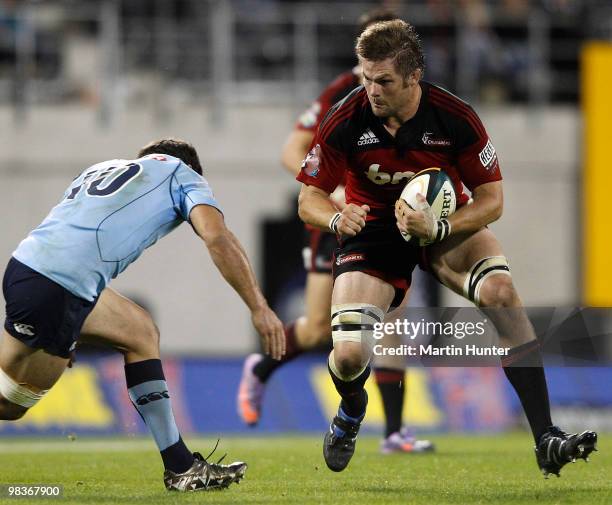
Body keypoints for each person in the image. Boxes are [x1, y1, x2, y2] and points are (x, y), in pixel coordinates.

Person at [296, 19, 598, 476]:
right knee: (350, 354)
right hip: (375, 230)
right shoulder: (346, 117)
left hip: (444, 222)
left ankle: (546, 438)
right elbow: (308, 199)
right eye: (365, 77)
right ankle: (352, 412)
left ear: (413, 77)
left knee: (501, 294)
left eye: (383, 81)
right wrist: (338, 217)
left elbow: (493, 200)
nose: (371, 90)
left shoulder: (454, 116)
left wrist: (440, 227)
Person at [0, 139, 286, 491]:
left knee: (140, 332)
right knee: (11, 404)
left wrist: (72, 322)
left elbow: (72, 233)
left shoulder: (100, 168)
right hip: (61, 287)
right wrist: (259, 307)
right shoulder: (184, 175)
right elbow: (217, 238)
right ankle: (181, 468)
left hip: (29, 268)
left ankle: (181, 467)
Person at [237, 8, 433, 454]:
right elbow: (293, 152)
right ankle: (261, 368)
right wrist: (339, 196)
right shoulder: (344, 92)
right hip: (336, 219)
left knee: (389, 325)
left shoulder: (415, 95)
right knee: (318, 330)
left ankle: (394, 432)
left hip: (386, 222)